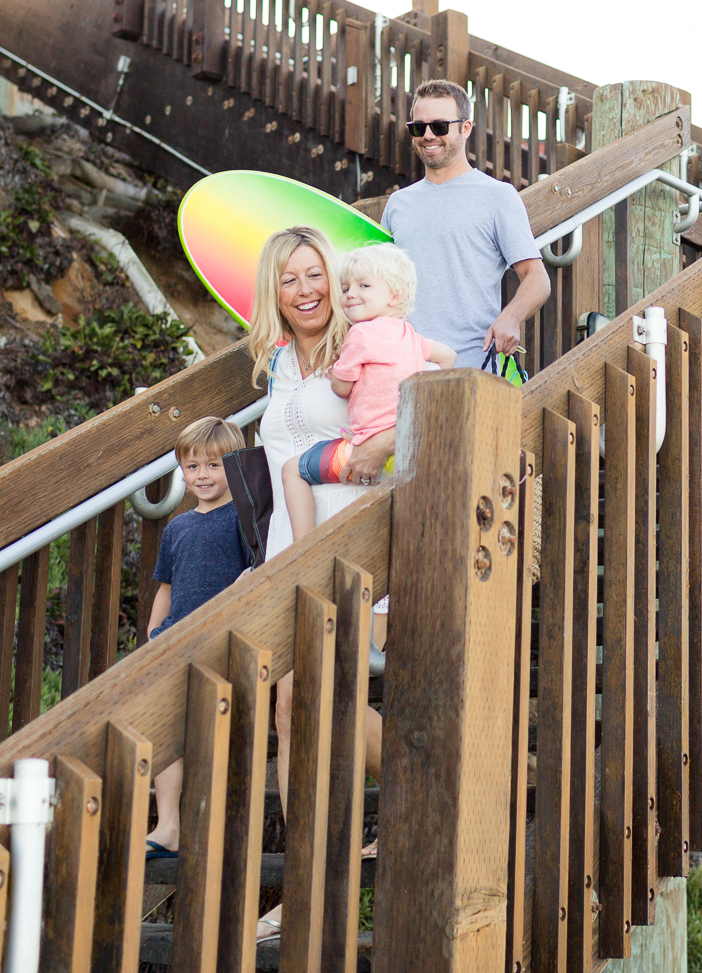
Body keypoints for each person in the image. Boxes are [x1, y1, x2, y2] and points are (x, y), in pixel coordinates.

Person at [245, 225, 386, 943]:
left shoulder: (364, 341)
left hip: (351, 538)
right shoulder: (279, 363)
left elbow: (400, 421)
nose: (305, 291)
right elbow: (279, 449)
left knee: (322, 695)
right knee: (288, 701)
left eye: (314, 274)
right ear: (275, 290)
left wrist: (360, 456)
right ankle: (305, 869)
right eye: (289, 279)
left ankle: (417, 784)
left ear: (334, 276)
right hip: (286, 549)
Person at [281, 243, 455, 536]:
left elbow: (341, 387)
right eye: (346, 287)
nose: (350, 294)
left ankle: (301, 547)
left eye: (363, 285)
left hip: (361, 449)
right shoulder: (410, 336)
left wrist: (336, 372)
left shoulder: (359, 334)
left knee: (292, 470)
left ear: (395, 295)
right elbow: (448, 356)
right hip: (406, 445)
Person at [382, 78, 550, 371]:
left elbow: (536, 277)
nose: (428, 135)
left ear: (466, 128)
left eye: (440, 126)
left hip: (471, 369)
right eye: (418, 127)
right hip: (400, 369)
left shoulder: (498, 196)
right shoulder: (398, 204)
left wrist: (511, 317)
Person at [141, 416, 248, 860]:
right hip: (175, 639)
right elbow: (165, 586)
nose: (202, 475)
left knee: (206, 728)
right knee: (164, 725)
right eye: (192, 467)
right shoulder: (177, 527)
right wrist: (153, 634)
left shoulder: (244, 517)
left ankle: (211, 825)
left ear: (235, 467)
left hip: (221, 639)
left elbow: (254, 570)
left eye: (213, 466)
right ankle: (168, 825)